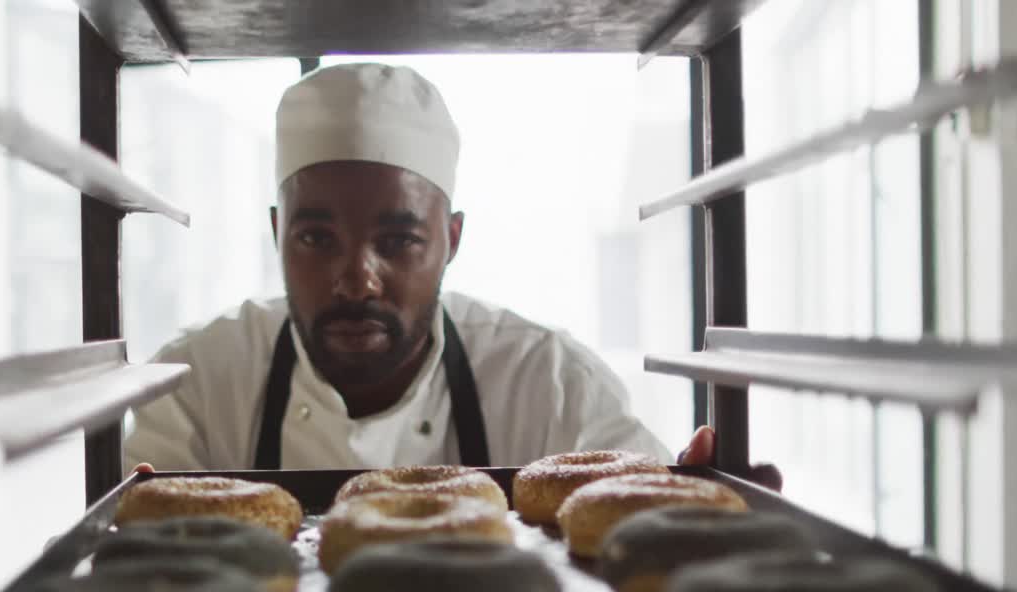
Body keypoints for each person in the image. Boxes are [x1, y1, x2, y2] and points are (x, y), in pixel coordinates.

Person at [124, 62, 776, 489]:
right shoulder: (198, 387)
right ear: (276, 235)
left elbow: (652, 516)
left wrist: (709, 503)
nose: (357, 281)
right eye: (317, 238)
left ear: (450, 239)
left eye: (399, 240)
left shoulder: (548, 384)